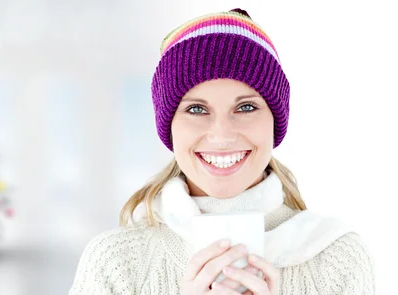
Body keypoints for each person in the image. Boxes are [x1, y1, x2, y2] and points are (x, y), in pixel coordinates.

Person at [69, 8, 375, 295]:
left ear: (275, 120)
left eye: (246, 107)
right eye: (197, 109)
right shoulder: (115, 262)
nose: (222, 136)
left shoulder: (337, 258)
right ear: (169, 126)